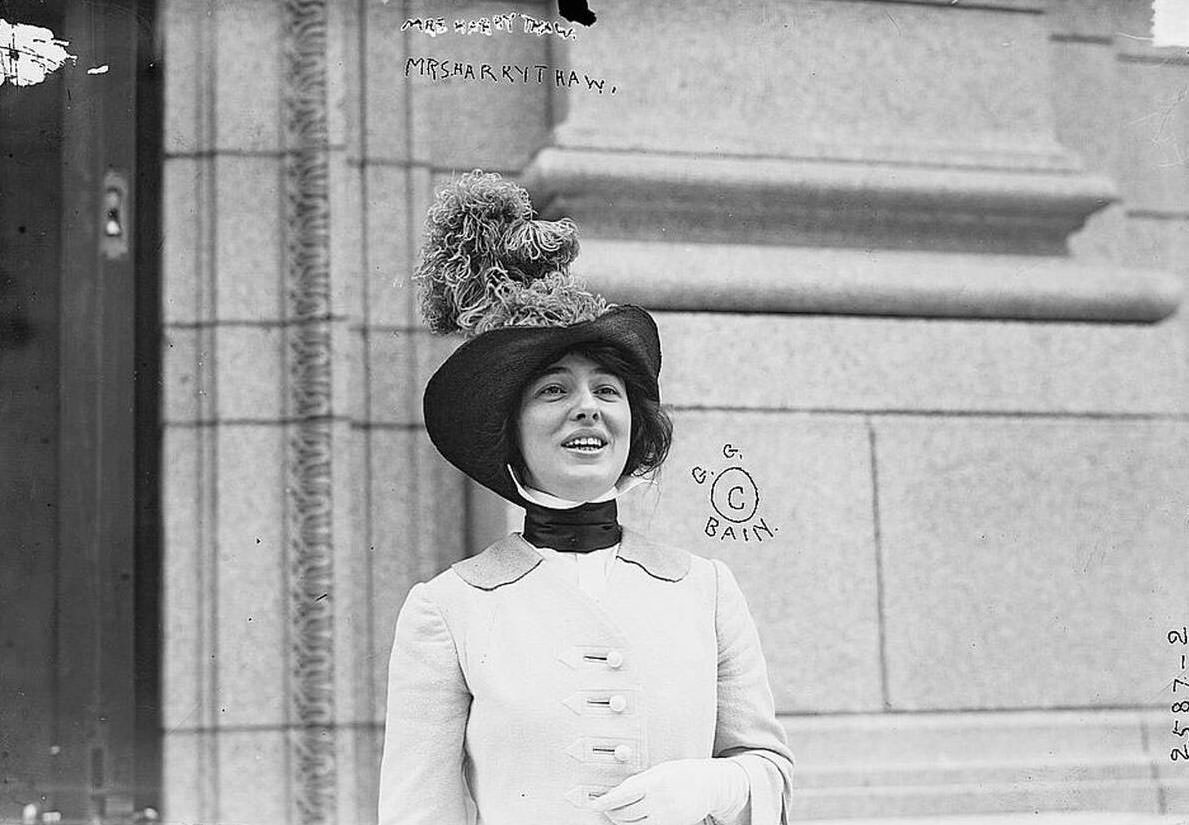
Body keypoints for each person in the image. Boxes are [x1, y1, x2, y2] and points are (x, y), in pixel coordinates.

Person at [379, 170, 793, 825]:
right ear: (508, 428)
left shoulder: (706, 590)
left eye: (607, 390)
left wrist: (711, 786)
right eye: (552, 390)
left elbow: (770, 769)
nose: (587, 410)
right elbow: (417, 812)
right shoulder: (447, 610)